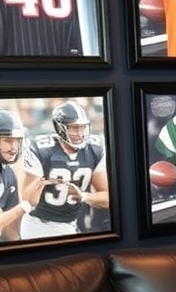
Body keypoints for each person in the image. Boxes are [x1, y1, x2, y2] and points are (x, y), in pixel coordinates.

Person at [20, 100, 109, 239]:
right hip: (37, 224)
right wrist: (40, 183)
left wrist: (84, 196)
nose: (80, 133)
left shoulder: (95, 148)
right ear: (60, 128)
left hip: (68, 224)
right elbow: (28, 200)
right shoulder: (41, 150)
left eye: (82, 127)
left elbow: (107, 198)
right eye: (74, 128)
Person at [0, 109, 42, 241]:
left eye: (17, 141)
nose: (14, 147)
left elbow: (10, 230)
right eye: (8, 140)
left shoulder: (8, 172)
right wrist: (26, 205)